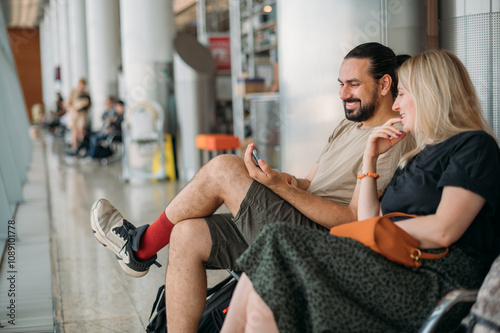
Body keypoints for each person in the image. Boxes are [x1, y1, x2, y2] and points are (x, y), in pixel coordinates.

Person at [90, 42, 415, 331]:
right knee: (186, 234)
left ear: (384, 84)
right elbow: (309, 183)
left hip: (320, 243)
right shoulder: (347, 127)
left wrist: (282, 189)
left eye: (354, 84)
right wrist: (281, 179)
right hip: (295, 219)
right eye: (341, 84)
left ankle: (141, 248)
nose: (343, 94)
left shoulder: (391, 138)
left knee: (224, 168)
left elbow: (354, 218)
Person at [220, 49, 500, 333]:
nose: (397, 104)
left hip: (435, 279)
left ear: (428, 96)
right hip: (393, 265)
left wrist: (384, 228)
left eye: (402, 94)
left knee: (276, 242)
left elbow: (445, 229)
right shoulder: (416, 156)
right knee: (269, 281)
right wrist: (370, 156)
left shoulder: (473, 146)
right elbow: (366, 221)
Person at [66, 78, 91, 155]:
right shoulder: (73, 92)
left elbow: (89, 104)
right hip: (74, 114)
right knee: (74, 132)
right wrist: (74, 109)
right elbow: (67, 104)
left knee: (81, 131)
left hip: (82, 114)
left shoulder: (86, 93)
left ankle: (83, 147)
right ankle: (75, 148)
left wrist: (85, 105)